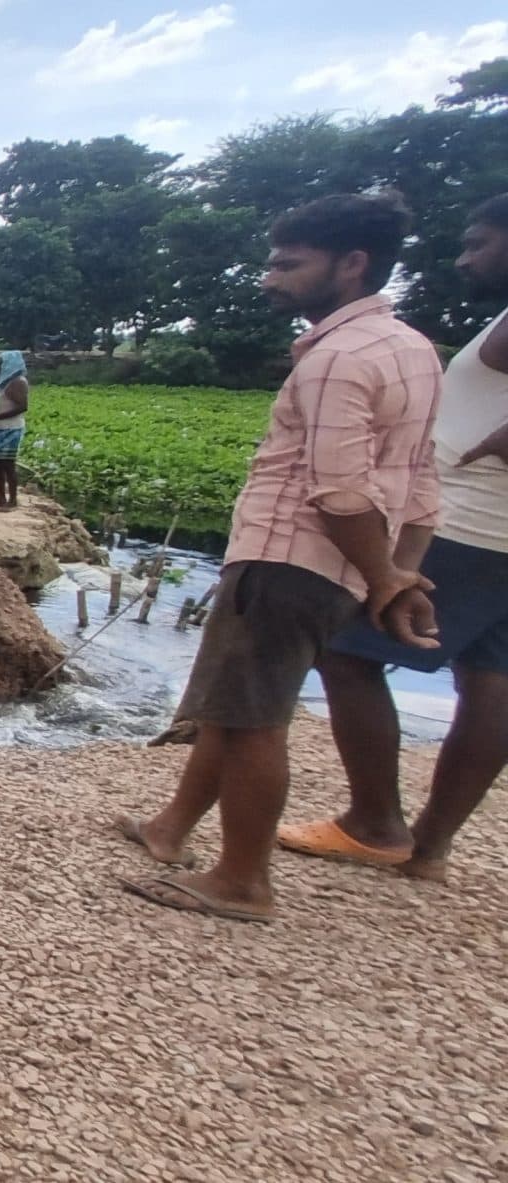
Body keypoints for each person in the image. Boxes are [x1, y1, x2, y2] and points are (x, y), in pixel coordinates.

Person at [119, 193, 444, 924]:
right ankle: (171, 827)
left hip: (285, 558)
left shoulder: (337, 358)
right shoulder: (414, 350)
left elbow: (339, 490)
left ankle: (242, 880)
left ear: (351, 264)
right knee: (238, 704)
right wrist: (396, 572)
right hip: (342, 566)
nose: (271, 278)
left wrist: (388, 576)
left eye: (289, 264)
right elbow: (421, 478)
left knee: (253, 720)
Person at [278, 193, 508, 884]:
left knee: (347, 651)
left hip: (471, 525)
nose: (463, 258)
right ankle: (429, 845)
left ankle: (375, 821)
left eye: (479, 243)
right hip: (492, 531)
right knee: (490, 678)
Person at [0, 350, 30, 509]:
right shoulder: (6, 381)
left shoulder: (18, 382)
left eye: (1, 363)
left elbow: (22, 407)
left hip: (10, 428)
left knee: (8, 464)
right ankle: (0, 497)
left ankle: (13, 500)